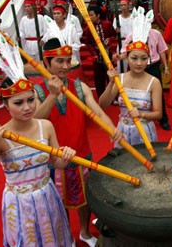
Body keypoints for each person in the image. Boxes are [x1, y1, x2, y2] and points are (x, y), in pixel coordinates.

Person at [0, 39, 76, 246]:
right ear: (5, 104)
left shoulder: (44, 126)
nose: (27, 108)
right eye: (18, 103)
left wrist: (65, 157)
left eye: (30, 100)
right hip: (19, 204)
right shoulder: (2, 136)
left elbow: (56, 163)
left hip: (47, 195)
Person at [34, 38, 122, 246]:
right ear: (46, 63)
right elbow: (36, 121)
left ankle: (84, 232)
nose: (66, 66)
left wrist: (111, 128)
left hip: (81, 151)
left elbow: (97, 112)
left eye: (68, 61)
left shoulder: (79, 86)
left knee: (85, 199)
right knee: (58, 203)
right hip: (53, 157)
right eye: (59, 61)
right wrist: (53, 95)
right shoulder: (37, 91)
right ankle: (64, 236)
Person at [99, 9, 162, 145]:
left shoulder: (154, 82)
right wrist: (110, 83)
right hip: (123, 132)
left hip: (144, 131)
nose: (139, 63)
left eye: (143, 58)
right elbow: (103, 104)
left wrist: (142, 115)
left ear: (148, 59)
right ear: (127, 58)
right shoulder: (120, 79)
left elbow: (158, 114)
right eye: (134, 58)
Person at [120, 25, 171, 130]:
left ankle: (163, 120)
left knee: (158, 94)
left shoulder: (156, 33)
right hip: (135, 68)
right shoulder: (131, 35)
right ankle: (133, 115)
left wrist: (165, 66)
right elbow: (125, 52)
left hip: (153, 66)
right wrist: (120, 57)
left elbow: (161, 51)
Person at [83, 5, 116, 97]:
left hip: (107, 53)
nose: (90, 17)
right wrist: (94, 53)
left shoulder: (107, 24)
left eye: (92, 15)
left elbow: (114, 36)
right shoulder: (88, 28)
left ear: (98, 15)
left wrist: (109, 40)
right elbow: (88, 43)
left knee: (110, 76)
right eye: (89, 15)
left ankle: (113, 97)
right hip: (96, 55)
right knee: (98, 77)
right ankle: (101, 97)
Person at [112, 0, 133, 74]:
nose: (123, 7)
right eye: (121, 5)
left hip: (131, 42)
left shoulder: (133, 17)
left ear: (128, 5)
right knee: (121, 64)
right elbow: (114, 30)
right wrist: (116, 31)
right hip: (121, 42)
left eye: (124, 5)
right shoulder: (117, 18)